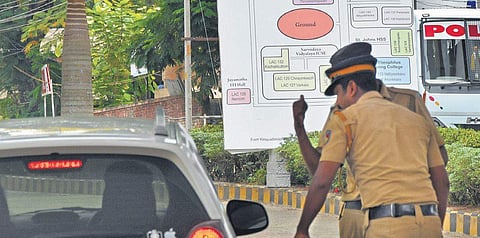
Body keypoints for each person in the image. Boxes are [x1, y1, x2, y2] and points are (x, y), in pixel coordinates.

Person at [293, 42, 450, 238]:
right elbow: (442, 181)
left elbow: (322, 180)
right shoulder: (417, 120)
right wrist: (435, 224)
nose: (337, 102)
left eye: (338, 94)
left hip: (384, 221)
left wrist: (302, 229)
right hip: (426, 221)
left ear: (351, 88)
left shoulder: (345, 118)